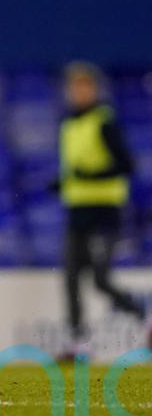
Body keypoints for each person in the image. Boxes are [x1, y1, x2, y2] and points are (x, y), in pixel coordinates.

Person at [57, 62, 148, 356]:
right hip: (77, 210)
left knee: (100, 278)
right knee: (71, 277)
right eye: (74, 87)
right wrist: (62, 183)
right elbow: (76, 168)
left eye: (84, 86)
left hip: (105, 211)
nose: (78, 92)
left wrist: (90, 177)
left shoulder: (104, 121)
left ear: (94, 89)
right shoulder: (69, 123)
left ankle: (143, 315)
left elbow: (127, 164)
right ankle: (78, 343)